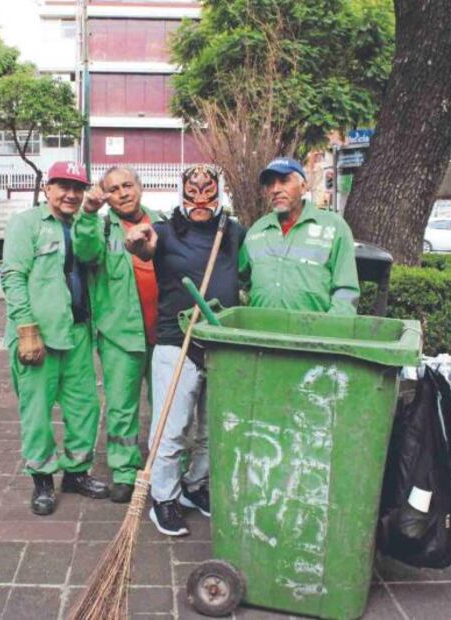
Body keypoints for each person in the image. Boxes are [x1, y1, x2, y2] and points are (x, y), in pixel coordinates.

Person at [125, 165, 246, 536]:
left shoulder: (232, 231)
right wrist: (136, 241)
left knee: (212, 429)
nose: (200, 201)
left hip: (220, 344)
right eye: (192, 193)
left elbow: (242, 274)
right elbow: (142, 248)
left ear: (219, 193)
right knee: (171, 428)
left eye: (207, 193)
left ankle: (195, 486)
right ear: (181, 193)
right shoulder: (163, 231)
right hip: (175, 344)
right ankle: (164, 497)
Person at [0, 161, 109, 517]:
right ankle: (43, 479)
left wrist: (91, 217)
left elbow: (93, 257)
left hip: (77, 332)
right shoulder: (26, 224)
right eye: (63, 186)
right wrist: (25, 327)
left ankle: (76, 473)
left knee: (84, 408)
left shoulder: (86, 224)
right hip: (38, 334)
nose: (71, 194)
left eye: (78, 187)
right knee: (36, 412)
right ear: (48, 189)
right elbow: (13, 276)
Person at [72, 166, 165, 504]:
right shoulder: (99, 226)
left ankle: (165, 469)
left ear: (140, 187)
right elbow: (84, 252)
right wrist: (88, 211)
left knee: (168, 406)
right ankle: (125, 472)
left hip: (164, 333)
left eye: (128, 185)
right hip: (119, 335)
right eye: (114, 188)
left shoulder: (163, 223)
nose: (123, 192)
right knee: (122, 408)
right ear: (105, 195)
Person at [240, 157, 360, 314]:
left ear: (303, 187)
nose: (275, 189)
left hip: (313, 334)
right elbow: (241, 283)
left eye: (284, 181)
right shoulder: (256, 231)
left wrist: (331, 330)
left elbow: (346, 290)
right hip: (262, 334)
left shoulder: (334, 227)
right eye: (270, 184)